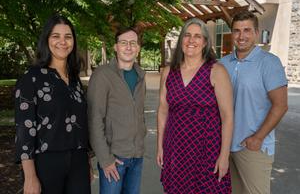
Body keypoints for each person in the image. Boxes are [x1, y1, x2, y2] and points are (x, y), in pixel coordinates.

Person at [15, 14, 91, 194]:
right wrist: (30, 177)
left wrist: (86, 161)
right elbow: (24, 130)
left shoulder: (74, 80)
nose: (62, 42)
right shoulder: (31, 78)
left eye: (68, 36)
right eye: (56, 36)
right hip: (46, 163)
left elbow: (80, 125)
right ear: (46, 40)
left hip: (78, 162)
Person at [157, 17, 234, 193]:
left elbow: (228, 117)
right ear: (181, 39)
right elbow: (163, 111)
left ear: (205, 42)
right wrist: (160, 146)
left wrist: (224, 156)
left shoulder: (216, 71)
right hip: (176, 148)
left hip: (207, 149)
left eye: (198, 36)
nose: (192, 40)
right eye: (187, 35)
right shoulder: (169, 72)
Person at [220, 10, 288, 194]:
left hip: (252, 147)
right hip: (223, 146)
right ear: (231, 33)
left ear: (256, 33)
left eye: (247, 30)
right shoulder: (222, 64)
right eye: (237, 31)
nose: (241, 36)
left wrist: (258, 138)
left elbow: (280, 105)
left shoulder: (269, 63)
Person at [87, 27, 146, 194]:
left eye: (133, 43)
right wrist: (105, 159)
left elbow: (139, 113)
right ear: (115, 47)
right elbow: (94, 119)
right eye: (123, 42)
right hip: (114, 158)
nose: (128, 47)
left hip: (137, 156)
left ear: (138, 48)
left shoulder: (141, 75)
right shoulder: (102, 75)